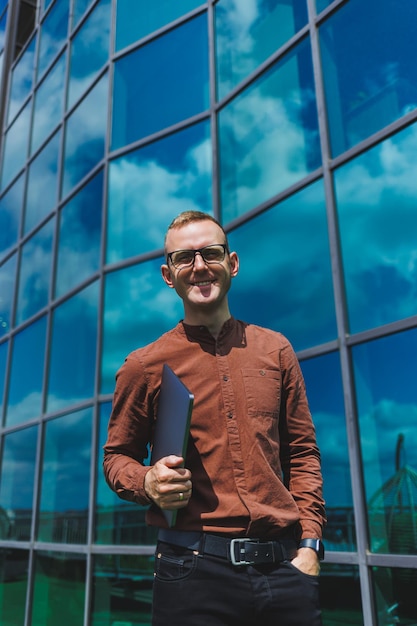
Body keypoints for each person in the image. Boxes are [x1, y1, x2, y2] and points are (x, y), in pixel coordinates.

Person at [103, 210, 326, 626]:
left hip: (285, 570)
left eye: (211, 253)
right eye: (185, 258)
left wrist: (310, 547)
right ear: (168, 275)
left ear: (233, 263)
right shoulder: (143, 365)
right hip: (190, 572)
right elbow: (117, 457)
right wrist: (147, 481)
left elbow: (303, 453)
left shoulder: (276, 350)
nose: (200, 266)